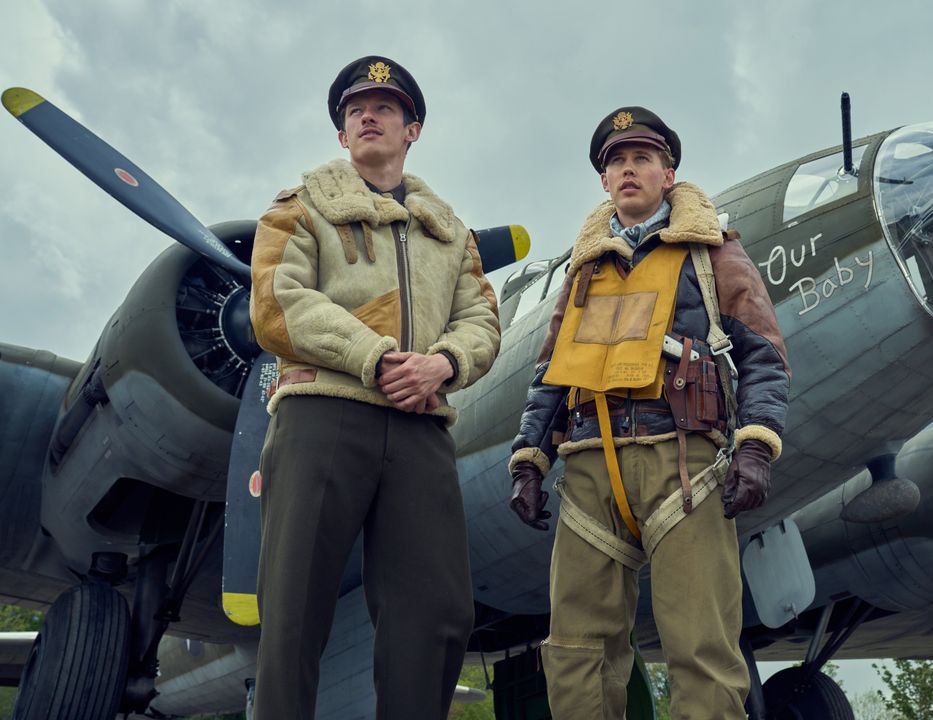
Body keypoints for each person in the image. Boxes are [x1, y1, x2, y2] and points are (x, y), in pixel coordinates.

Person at [508, 106, 790, 719]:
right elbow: (551, 375)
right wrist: (530, 459)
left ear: (669, 174)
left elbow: (765, 357)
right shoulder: (580, 272)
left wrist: (756, 445)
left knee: (702, 648)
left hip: (684, 465)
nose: (628, 169)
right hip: (588, 468)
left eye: (642, 158)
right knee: (576, 651)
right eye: (616, 162)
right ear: (603, 182)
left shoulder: (715, 254)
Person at [248, 55, 500, 719]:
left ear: (412, 128)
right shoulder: (299, 206)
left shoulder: (451, 233)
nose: (367, 115)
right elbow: (277, 301)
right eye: (355, 110)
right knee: (293, 608)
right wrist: (377, 356)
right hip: (322, 415)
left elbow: (480, 319)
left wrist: (443, 364)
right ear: (341, 134)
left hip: (421, 426)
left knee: (439, 613)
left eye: (384, 108)